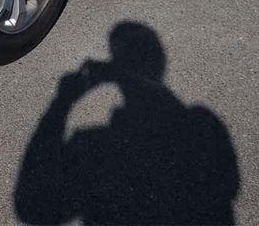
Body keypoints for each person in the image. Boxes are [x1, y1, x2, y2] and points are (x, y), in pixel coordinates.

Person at [14, 21, 240, 225]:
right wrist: (124, 76)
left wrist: (62, 103)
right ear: (159, 62)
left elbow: (32, 208)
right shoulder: (201, 123)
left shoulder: (95, 146)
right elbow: (227, 183)